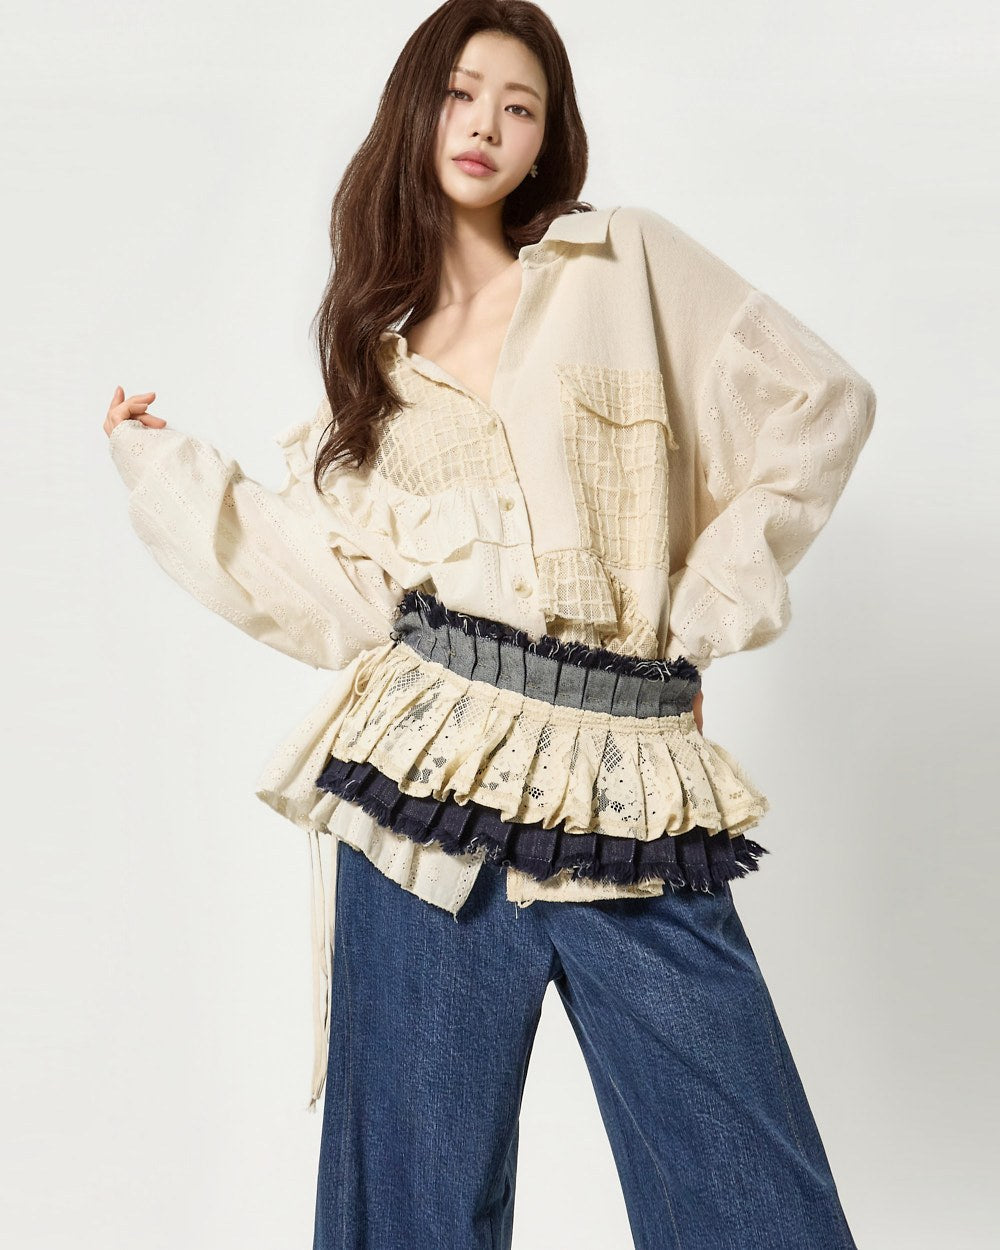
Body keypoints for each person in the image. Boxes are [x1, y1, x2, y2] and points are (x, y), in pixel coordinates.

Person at [104, 2, 875, 1246]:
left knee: (747, 1190)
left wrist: (695, 616)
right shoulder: (373, 375)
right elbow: (340, 600)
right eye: (463, 94)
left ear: (545, 139)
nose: (486, 125)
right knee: (411, 1203)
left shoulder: (622, 262)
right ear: (418, 108)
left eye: (520, 107)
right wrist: (163, 467)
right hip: (426, 785)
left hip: (623, 773)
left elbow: (820, 403)